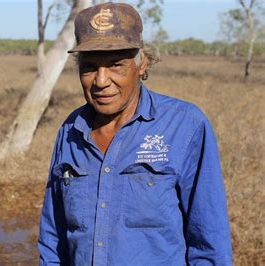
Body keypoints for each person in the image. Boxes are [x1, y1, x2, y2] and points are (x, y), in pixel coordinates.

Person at [37, 2, 233, 265]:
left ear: (142, 64)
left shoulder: (184, 126)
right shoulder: (71, 131)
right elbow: (53, 238)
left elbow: (209, 243)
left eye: (116, 65)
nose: (101, 81)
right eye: (90, 66)